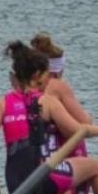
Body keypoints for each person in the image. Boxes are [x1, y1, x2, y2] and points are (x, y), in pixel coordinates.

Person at [0, 42, 98, 194]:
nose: (49, 80)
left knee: (58, 172)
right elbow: (77, 131)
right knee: (95, 166)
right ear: (37, 75)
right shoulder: (46, 101)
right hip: (43, 177)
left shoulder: (2, 103)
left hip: (15, 182)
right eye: (46, 75)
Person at [32, 32, 94, 160]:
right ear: (59, 69)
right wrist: (89, 116)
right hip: (63, 151)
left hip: (38, 153)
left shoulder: (28, 87)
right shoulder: (58, 86)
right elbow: (85, 122)